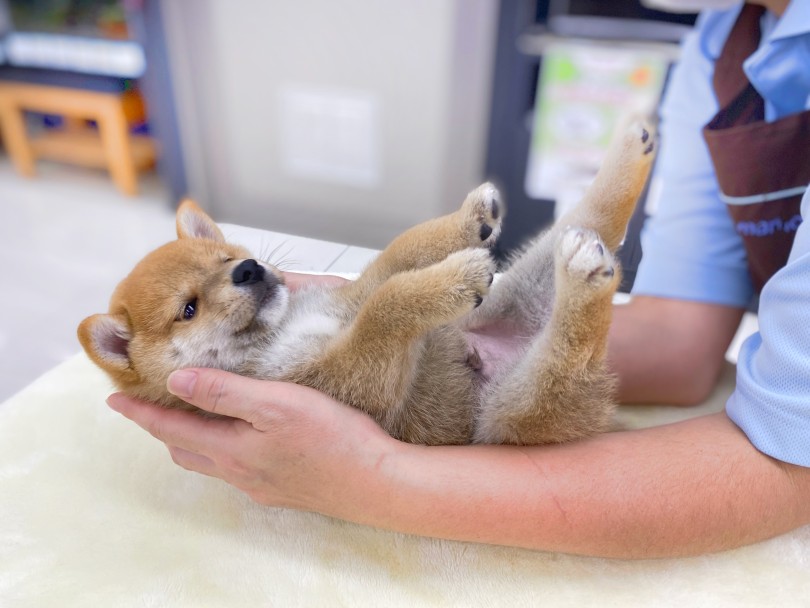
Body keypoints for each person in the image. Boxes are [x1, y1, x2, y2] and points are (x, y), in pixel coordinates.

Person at [106, 0, 810, 559]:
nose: (243, 274)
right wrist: (403, 292)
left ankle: (585, 280)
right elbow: (684, 340)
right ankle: (590, 257)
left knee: (512, 361)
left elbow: (790, 460)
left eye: (228, 261)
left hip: (468, 395)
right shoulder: (726, 41)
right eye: (193, 306)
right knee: (523, 321)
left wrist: (371, 480)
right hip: (479, 367)